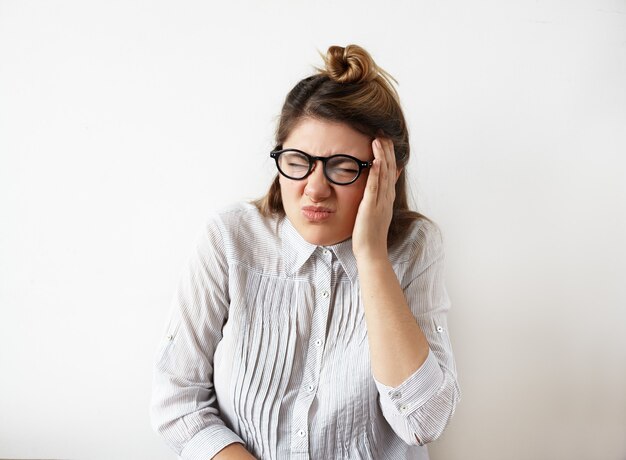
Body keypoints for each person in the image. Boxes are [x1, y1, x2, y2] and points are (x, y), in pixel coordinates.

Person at [150, 44, 460, 460]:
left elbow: (422, 422)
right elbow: (176, 401)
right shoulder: (229, 238)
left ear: (386, 173)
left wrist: (371, 256)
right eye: (298, 160)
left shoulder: (416, 248)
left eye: (343, 166)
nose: (314, 188)